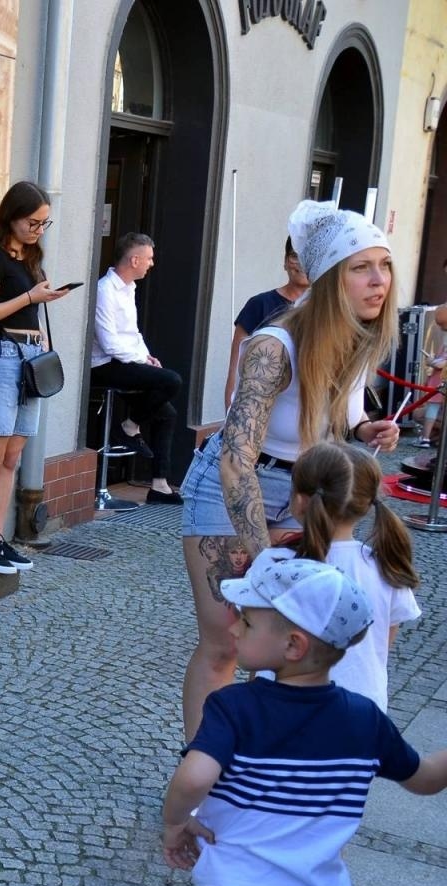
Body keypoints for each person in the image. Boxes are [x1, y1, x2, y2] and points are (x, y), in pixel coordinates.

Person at [161, 552, 447, 886]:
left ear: (293, 646)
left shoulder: (233, 706)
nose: (234, 624)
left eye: (247, 620)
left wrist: (176, 822)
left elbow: (195, 775)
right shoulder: (364, 720)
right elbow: (424, 780)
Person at [179, 199, 399, 741]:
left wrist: (364, 431)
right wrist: (266, 563)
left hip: (308, 490)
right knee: (228, 642)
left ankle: (258, 771)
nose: (380, 281)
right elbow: (235, 462)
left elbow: (335, 420)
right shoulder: (273, 346)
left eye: (385, 265)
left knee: (279, 646)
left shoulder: (358, 339)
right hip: (233, 488)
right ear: (328, 279)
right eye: (361, 267)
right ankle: (200, 771)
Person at [0, 181, 71, 575]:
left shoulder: (29, 256)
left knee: (12, 457)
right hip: (2, 356)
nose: (38, 230)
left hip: (29, 358)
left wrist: (41, 303)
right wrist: (29, 299)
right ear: (12, 216)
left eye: (45, 223)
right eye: (33, 222)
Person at [272, 443, 420, 712]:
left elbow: (256, 640)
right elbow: (382, 641)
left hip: (285, 706)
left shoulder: (276, 563)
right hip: (362, 708)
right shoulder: (385, 565)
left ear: (301, 500)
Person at [90, 232, 183, 503]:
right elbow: (109, 343)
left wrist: (147, 357)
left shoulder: (129, 288)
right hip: (106, 365)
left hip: (126, 361)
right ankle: (129, 425)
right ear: (134, 259)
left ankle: (159, 485)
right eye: (149, 258)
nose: (151, 263)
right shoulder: (106, 290)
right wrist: (140, 361)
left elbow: (133, 334)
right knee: (172, 381)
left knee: (167, 414)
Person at [225, 239, 308, 408]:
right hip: (258, 410)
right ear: (285, 262)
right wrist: (230, 417)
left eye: (308, 255)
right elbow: (235, 368)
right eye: (294, 256)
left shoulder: (325, 313)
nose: (301, 262)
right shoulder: (259, 304)